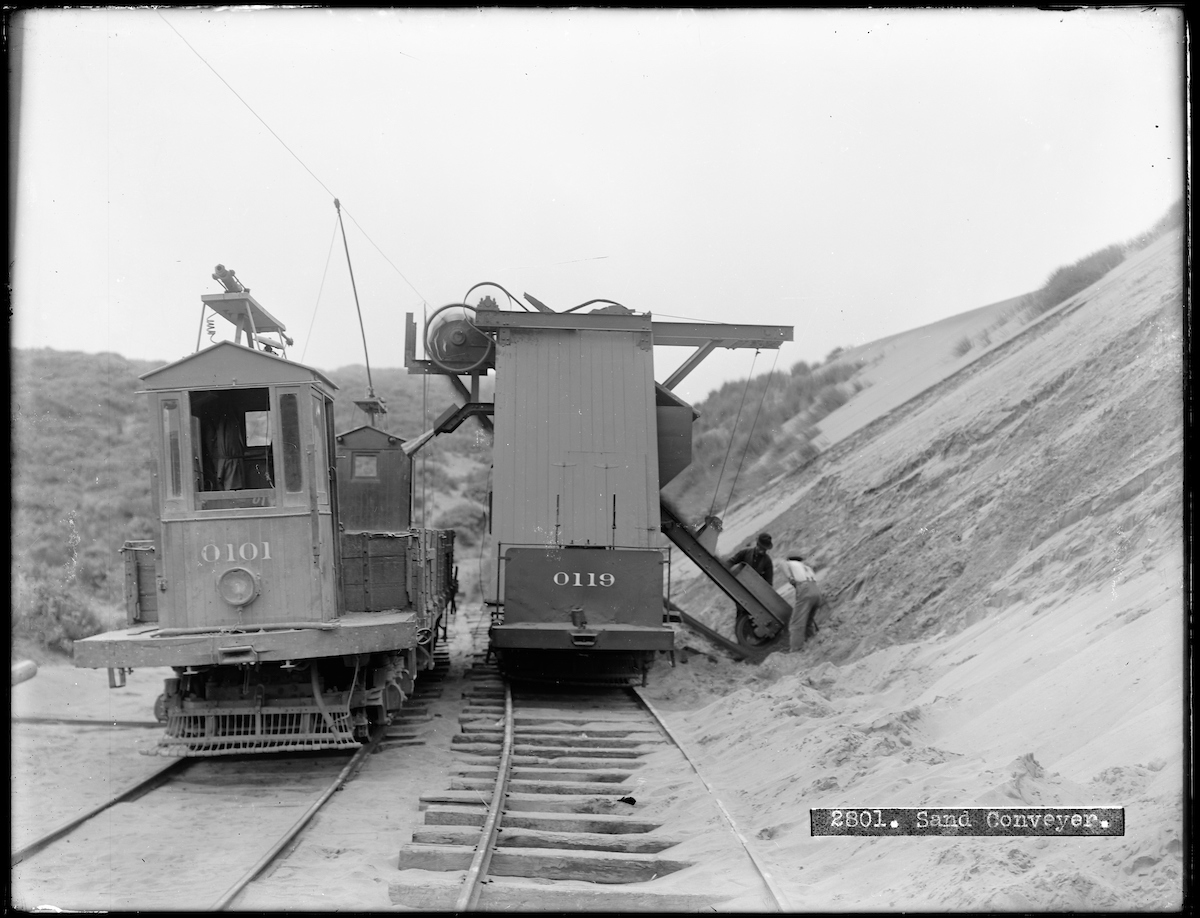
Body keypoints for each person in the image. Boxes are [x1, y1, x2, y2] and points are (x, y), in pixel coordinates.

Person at [783, 552, 822, 651]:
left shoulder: (789, 563)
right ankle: (813, 642)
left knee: (796, 624)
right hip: (816, 591)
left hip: (805, 590)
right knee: (808, 621)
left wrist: (790, 578)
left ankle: (796, 649)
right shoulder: (806, 567)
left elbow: (783, 566)